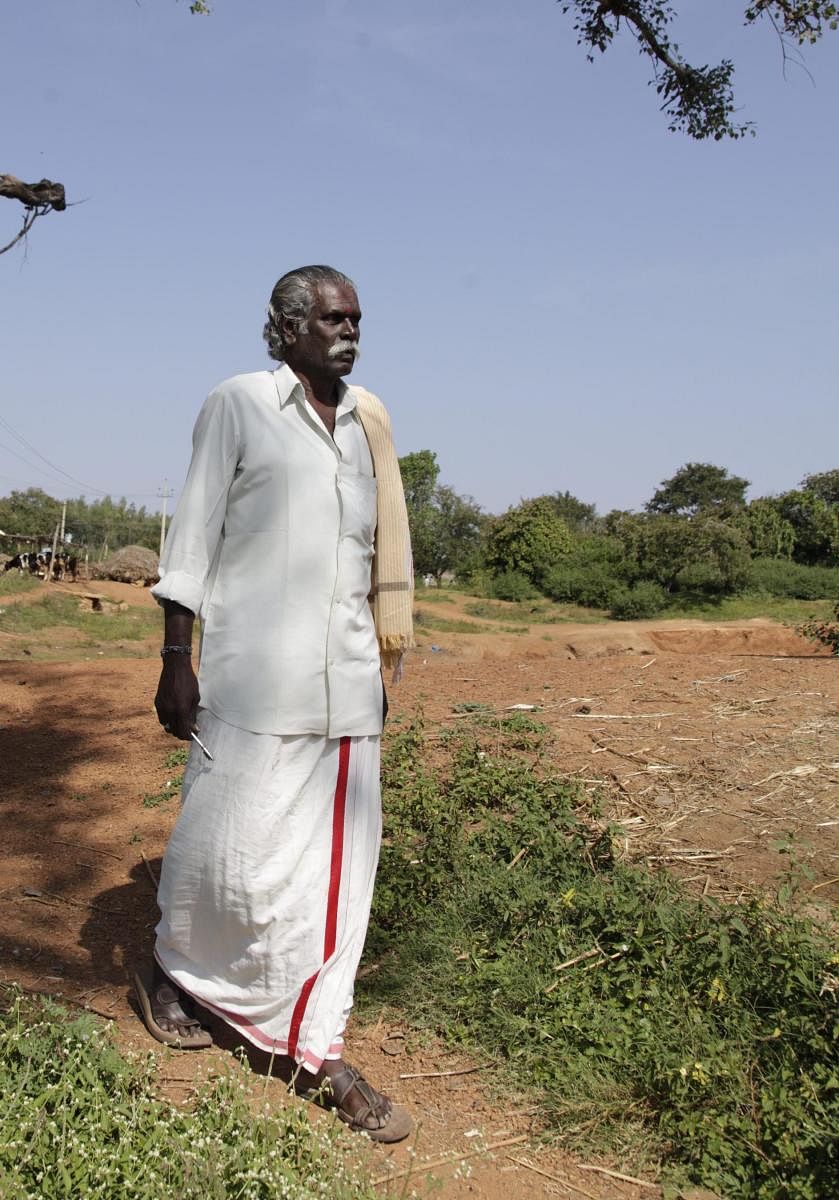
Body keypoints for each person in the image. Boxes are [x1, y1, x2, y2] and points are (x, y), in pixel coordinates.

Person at [134, 265, 414, 1143]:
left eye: (357, 319)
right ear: (287, 326)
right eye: (333, 318)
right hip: (253, 679)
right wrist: (178, 658)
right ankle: (175, 970)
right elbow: (192, 535)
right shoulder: (239, 405)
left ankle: (317, 1040)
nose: (350, 331)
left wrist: (377, 663)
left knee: (335, 877)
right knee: (223, 847)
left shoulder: (368, 422)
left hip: (348, 683)